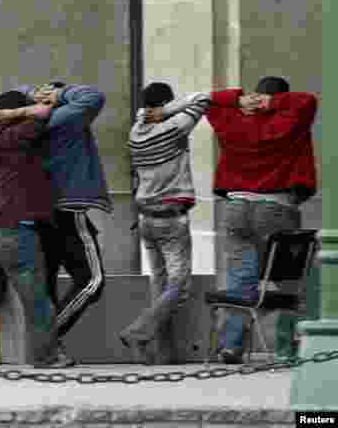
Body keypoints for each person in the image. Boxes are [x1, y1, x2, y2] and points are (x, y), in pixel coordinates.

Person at [205, 76, 318, 364]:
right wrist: (273, 104)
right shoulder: (291, 119)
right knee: (287, 279)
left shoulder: (233, 120)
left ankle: (231, 346)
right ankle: (285, 347)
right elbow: (307, 101)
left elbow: (209, 100)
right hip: (276, 207)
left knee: (240, 280)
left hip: (236, 206)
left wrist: (239, 99)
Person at [0, 90, 73, 368]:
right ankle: (46, 357)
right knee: (36, 299)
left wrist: (12, 112)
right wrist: (41, 104)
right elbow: (43, 113)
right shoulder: (23, 133)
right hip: (17, 229)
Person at [15, 81, 109, 362]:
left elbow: (14, 91)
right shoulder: (66, 117)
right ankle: (46, 340)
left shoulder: (26, 123)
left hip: (39, 210)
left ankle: (49, 351)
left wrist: (33, 95)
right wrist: (59, 94)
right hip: (68, 207)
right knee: (92, 280)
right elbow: (94, 94)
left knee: (47, 284)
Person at [120, 84, 211, 364]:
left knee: (159, 287)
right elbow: (202, 99)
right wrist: (165, 112)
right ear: (165, 104)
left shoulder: (135, 132)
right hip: (171, 218)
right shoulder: (172, 127)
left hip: (146, 218)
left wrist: (150, 114)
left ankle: (162, 354)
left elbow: (145, 117)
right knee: (179, 287)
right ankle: (138, 332)